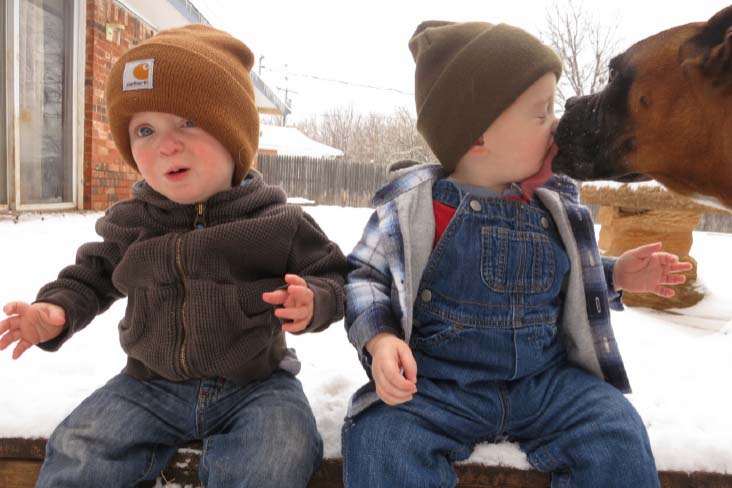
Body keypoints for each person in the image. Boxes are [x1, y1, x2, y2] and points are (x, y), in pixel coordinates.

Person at [341, 20, 692, 488]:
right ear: (478, 136)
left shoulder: (551, 206)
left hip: (544, 385)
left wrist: (618, 275)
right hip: (440, 387)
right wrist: (380, 339)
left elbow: (568, 277)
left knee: (614, 428)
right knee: (380, 437)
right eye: (541, 112)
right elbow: (364, 276)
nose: (556, 123)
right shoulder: (415, 210)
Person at [0, 24, 347, 487]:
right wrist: (55, 309)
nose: (167, 144)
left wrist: (316, 300)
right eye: (145, 129)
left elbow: (335, 275)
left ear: (234, 134)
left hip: (256, 387)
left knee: (280, 450)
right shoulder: (134, 221)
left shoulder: (276, 222)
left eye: (188, 121)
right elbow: (92, 275)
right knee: (80, 447)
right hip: (148, 386)